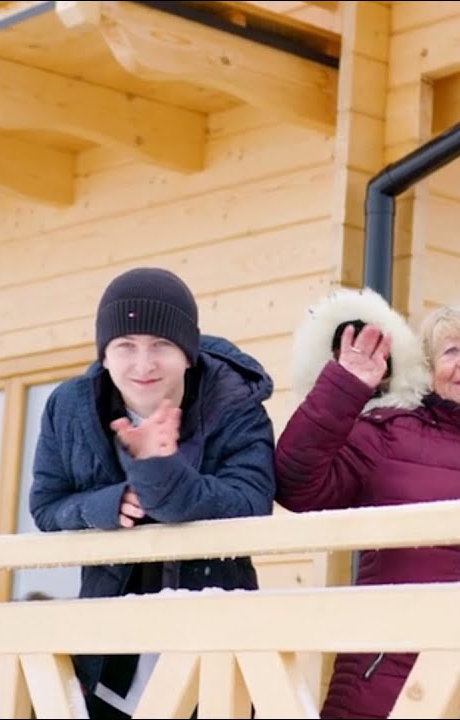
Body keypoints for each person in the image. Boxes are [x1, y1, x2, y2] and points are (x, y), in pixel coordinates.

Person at [275, 298, 460, 720]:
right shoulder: (387, 434)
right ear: (430, 372)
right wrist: (345, 387)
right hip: (384, 689)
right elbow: (297, 487)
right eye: (451, 351)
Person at [30, 267, 277, 719]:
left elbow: (250, 505)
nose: (143, 364)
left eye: (161, 345)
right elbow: (46, 505)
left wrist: (159, 471)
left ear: (188, 352)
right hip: (107, 648)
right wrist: (106, 504)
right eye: (125, 346)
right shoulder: (69, 407)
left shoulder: (235, 402)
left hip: (215, 642)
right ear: (104, 355)